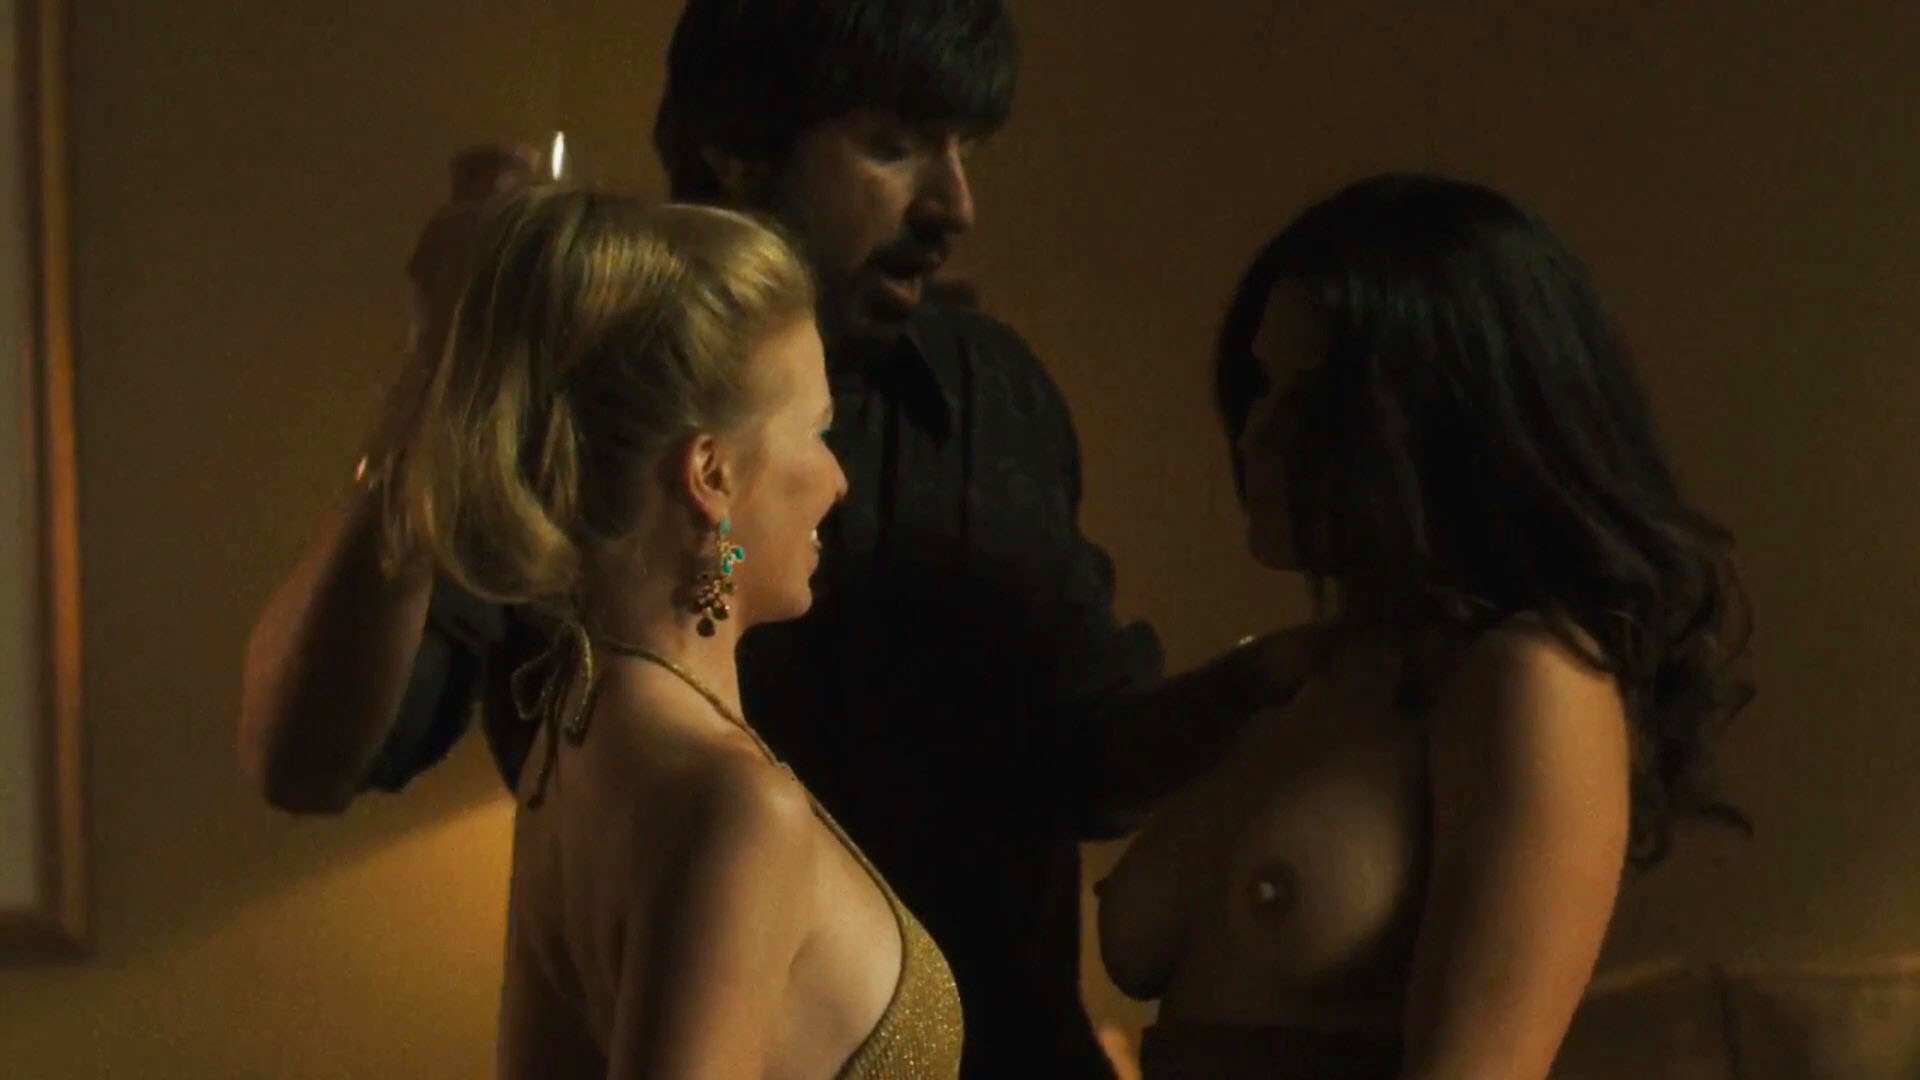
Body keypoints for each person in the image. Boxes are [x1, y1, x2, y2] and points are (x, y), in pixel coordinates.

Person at [236, 3, 1307, 1074]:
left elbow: (1085, 756)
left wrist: (1269, 689)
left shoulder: (992, 391)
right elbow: (308, 757)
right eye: (893, 144)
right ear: (736, 147)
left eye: (964, 148)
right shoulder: (594, 417)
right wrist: (443, 369)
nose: (956, 204)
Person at [1095, 173, 1754, 1080]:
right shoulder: (1294, 680)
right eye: (1259, 387)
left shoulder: (1528, 681)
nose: (1257, 434)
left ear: (1451, 418)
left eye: (1314, 401)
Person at [380, 187, 966, 1077]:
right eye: (817, 431)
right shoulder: (734, 804)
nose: (838, 479)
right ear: (711, 473)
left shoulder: (571, 735)